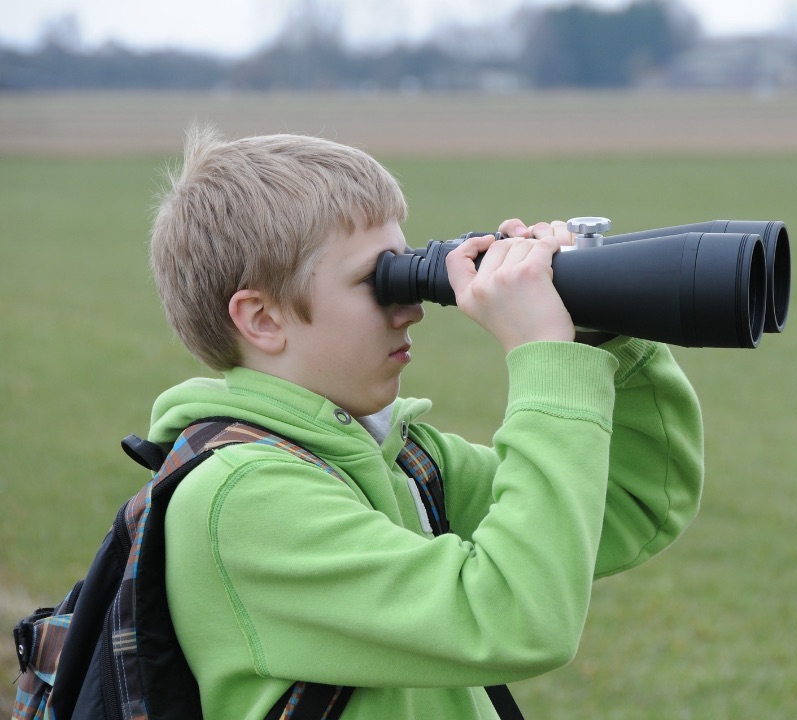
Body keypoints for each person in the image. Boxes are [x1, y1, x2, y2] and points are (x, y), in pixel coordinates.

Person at [148, 123, 704, 720]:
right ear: (262, 318)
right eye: (376, 281)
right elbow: (515, 619)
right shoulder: (241, 498)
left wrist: (601, 331)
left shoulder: (399, 461)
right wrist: (547, 360)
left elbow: (629, 499)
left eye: (409, 270)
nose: (412, 307)